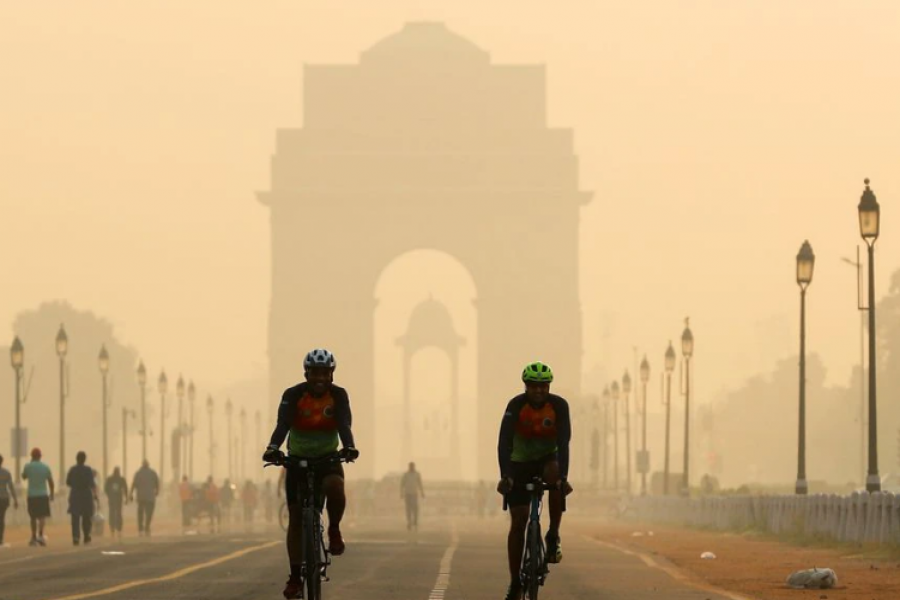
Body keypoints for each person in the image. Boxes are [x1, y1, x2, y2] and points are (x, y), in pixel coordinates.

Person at [262, 348, 359, 600]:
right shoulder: (293, 395)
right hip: (297, 460)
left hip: (327, 458)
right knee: (295, 518)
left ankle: (334, 529)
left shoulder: (338, 396)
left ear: (331, 375)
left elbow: (343, 424)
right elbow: (283, 424)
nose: (319, 378)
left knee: (336, 487)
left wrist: (349, 447)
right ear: (306, 374)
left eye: (324, 373)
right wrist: (273, 448)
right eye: (315, 373)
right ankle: (295, 577)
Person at [497, 361, 573, 600]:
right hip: (519, 463)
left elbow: (563, 444)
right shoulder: (515, 406)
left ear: (549, 386)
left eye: (543, 386)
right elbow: (503, 443)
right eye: (533, 386)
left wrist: (563, 478)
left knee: (555, 474)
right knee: (518, 524)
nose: (539, 390)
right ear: (526, 387)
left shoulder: (559, 406)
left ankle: (552, 534)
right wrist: (506, 476)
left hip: (547, 460)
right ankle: (515, 583)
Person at [22, 447, 54, 547]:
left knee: (33, 517)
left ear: (32, 456)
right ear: (40, 456)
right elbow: (50, 482)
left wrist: (30, 464)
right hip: (43, 494)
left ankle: (33, 537)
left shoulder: (28, 466)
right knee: (42, 516)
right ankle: (40, 535)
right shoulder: (45, 467)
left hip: (31, 495)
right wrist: (52, 493)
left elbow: (24, 477)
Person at [66, 451, 98, 545]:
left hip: (75, 494)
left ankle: (76, 537)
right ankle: (86, 535)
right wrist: (95, 495)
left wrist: (75, 485)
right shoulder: (88, 470)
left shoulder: (72, 469)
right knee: (87, 517)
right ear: (84, 459)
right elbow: (92, 484)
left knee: (75, 517)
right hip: (86, 495)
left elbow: (68, 482)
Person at [130, 460, 159, 536]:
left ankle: (140, 527)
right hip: (150, 497)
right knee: (149, 512)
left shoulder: (138, 473)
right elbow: (157, 483)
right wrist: (157, 491)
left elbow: (134, 484)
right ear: (148, 465)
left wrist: (131, 494)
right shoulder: (153, 473)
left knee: (140, 512)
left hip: (141, 497)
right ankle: (147, 526)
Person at [0, 454, 19, 546]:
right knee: (1, 518)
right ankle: (0, 539)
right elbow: (11, 487)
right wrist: (15, 499)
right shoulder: (6, 473)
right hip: (4, 498)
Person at [400, 462, 425, 531]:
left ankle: (415, 521)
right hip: (407, 493)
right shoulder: (406, 475)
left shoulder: (417, 474)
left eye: (412, 466)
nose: (411, 467)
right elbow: (402, 484)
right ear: (409, 467)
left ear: (414, 466)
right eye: (410, 466)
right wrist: (401, 493)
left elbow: (420, 483)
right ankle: (409, 522)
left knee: (415, 508)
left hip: (414, 493)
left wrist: (422, 492)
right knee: (408, 509)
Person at [104, 466, 127, 539]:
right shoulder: (121, 479)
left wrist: (109, 495)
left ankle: (112, 529)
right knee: (118, 514)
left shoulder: (110, 479)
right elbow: (125, 488)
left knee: (112, 514)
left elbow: (106, 489)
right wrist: (126, 497)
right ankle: (118, 529)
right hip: (118, 499)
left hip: (112, 499)